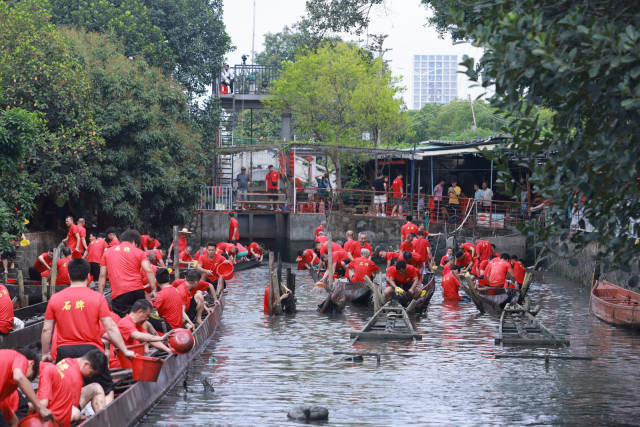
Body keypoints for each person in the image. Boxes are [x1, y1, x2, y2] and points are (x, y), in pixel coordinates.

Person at [41, 259, 133, 405]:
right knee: (107, 389)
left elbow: (47, 329)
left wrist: (45, 353)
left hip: (64, 353)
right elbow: (110, 327)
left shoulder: (55, 299)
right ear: (89, 276)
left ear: (69, 276)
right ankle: (103, 412)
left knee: (64, 392)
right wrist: (124, 350)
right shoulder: (98, 298)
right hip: (91, 352)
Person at [37, 350, 108, 427]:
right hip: (56, 413)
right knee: (76, 411)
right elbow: (71, 407)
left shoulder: (67, 360)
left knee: (95, 387)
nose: (90, 376)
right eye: (91, 373)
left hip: (53, 399)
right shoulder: (76, 379)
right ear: (86, 364)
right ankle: (104, 424)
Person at [98, 229, 157, 316]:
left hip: (119, 293)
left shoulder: (107, 252)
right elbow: (148, 270)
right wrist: (153, 289)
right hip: (137, 290)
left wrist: (100, 295)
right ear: (134, 242)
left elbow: (102, 276)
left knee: (122, 320)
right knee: (140, 318)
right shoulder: (139, 252)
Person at [0, 348, 52, 425]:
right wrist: (40, 408)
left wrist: (15, 422)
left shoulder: (6, 380)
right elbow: (19, 377)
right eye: (28, 378)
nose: (24, 382)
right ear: (31, 363)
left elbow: (3, 404)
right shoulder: (20, 358)